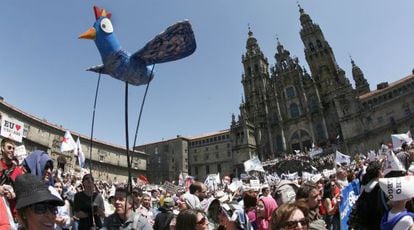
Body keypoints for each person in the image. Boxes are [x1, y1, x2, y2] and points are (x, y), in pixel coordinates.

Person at [0, 138, 24, 220]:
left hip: (11, 215)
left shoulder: (18, 171)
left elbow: (23, 192)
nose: (12, 150)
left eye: (13, 148)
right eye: (9, 147)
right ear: (2, 148)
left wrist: (14, 195)